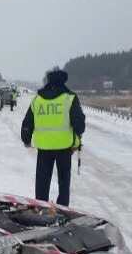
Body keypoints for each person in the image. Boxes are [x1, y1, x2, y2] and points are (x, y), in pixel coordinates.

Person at [20, 67, 85, 206]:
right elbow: (79, 124)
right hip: (64, 147)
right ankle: (62, 208)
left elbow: (27, 122)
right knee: (63, 181)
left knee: (42, 180)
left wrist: (26, 139)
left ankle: (41, 207)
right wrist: (76, 141)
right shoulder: (70, 97)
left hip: (43, 147)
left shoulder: (38, 99)